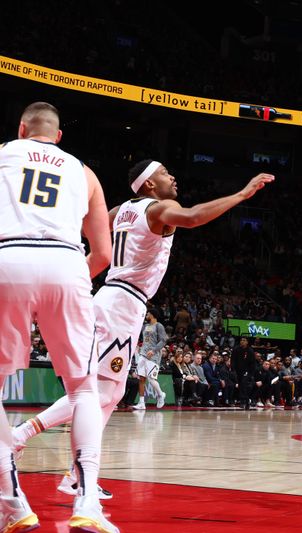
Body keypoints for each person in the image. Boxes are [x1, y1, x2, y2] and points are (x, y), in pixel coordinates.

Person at [13, 157, 274, 486]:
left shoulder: (123, 209)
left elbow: (87, 226)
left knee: (110, 392)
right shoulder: (157, 209)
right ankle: (20, 435)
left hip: (115, 299)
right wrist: (242, 195)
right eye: (165, 173)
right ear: (150, 184)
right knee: (97, 393)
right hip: (121, 303)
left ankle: (77, 476)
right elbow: (192, 217)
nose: (172, 176)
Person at [0, 102, 115, 531]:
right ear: (59, 137)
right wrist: (65, 283)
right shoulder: (84, 173)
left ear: (22, 129)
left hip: (7, 256)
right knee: (84, 390)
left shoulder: (3, 154)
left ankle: (12, 503)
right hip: (66, 262)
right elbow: (102, 254)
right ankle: (87, 501)